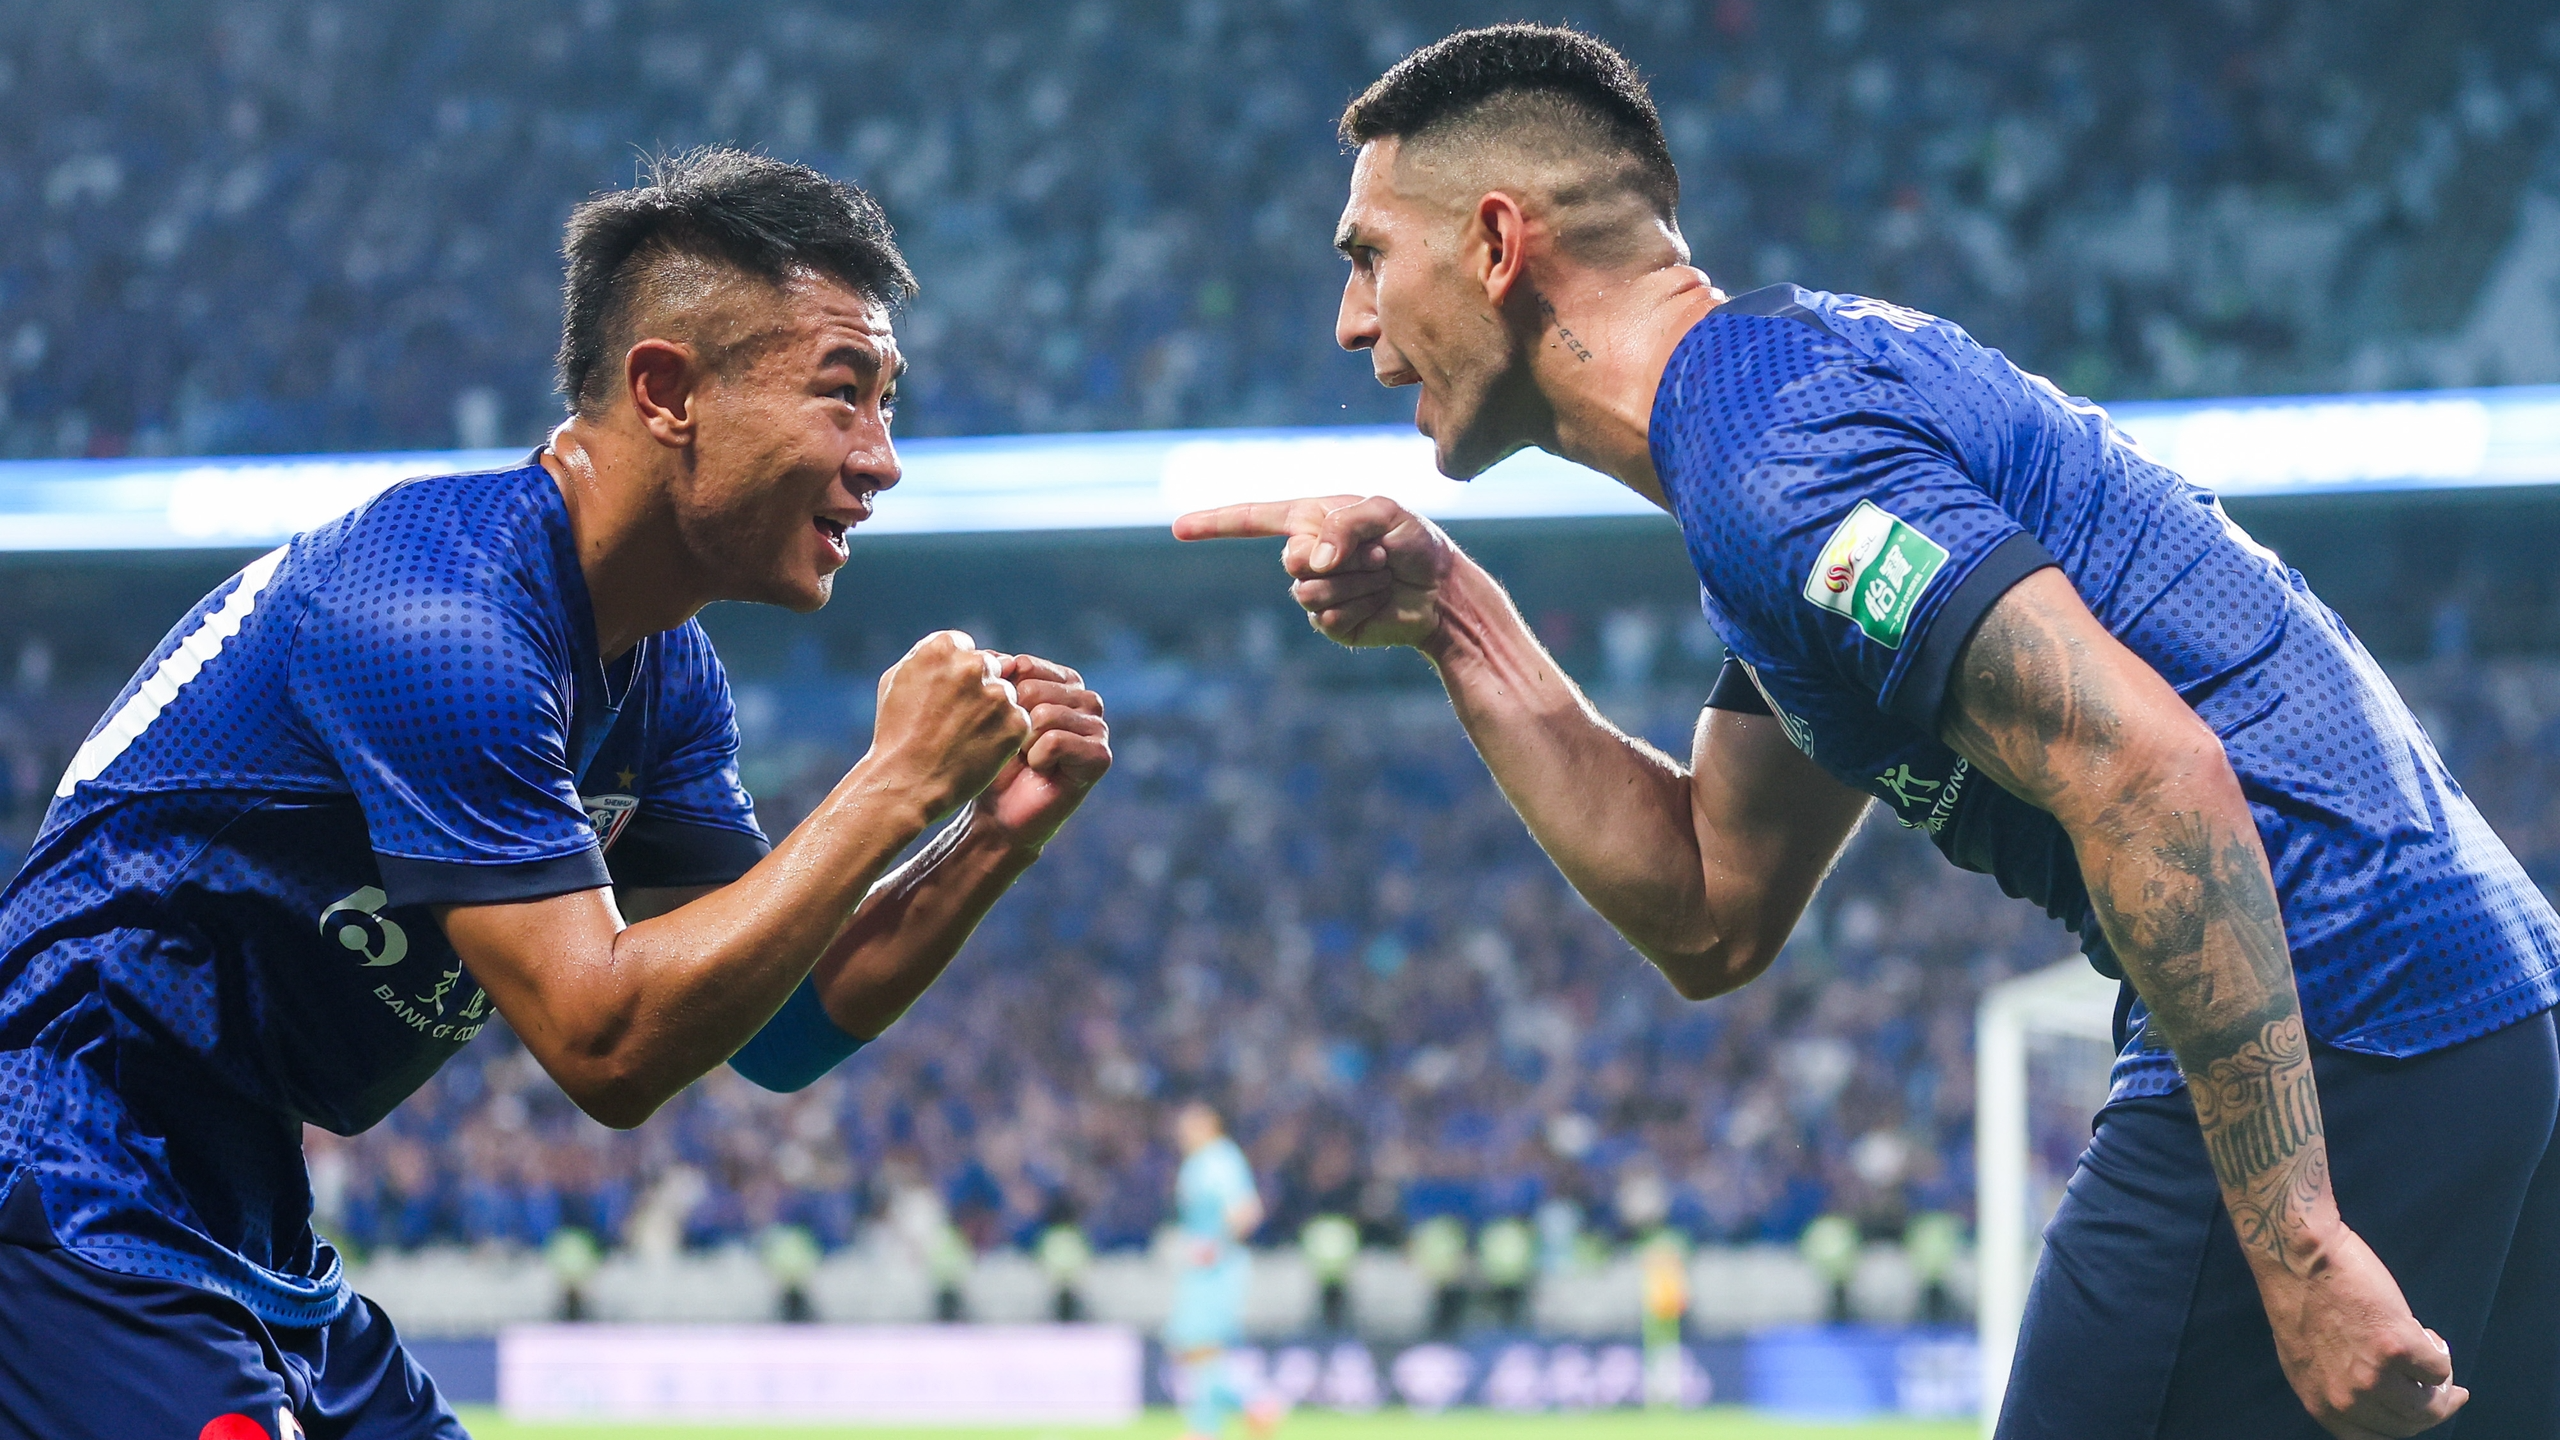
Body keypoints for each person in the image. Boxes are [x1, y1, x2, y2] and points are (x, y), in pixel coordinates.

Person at [1176, 24, 2559, 1440]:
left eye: (1365, 256)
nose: (1352, 323)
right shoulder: (1783, 419)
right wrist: (1452, 615)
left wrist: (2301, 1240)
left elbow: (2145, 767)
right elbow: (1713, 904)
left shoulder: (1778, 468)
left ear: (1493, 242)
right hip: (2481, 1002)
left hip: (2341, 1009)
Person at [0, 147, 1113, 1440]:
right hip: (60, 1181)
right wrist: (894, 781)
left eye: (887, 404)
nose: (883, 458)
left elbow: (782, 1023)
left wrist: (989, 840)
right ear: (667, 391)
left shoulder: (662, 677)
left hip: (233, 1212)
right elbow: (608, 1046)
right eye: (843, 394)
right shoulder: (437, 615)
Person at [1167, 1101, 1279, 1440]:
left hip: (1216, 1268)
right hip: (1202, 1267)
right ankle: (1250, 1403)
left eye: (1188, 1125)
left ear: (1209, 1125)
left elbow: (1246, 1211)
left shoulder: (1220, 1159)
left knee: (1201, 1345)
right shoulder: (1200, 1162)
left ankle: (1207, 1427)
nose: (1181, 1133)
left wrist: (1217, 1243)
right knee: (1191, 1348)